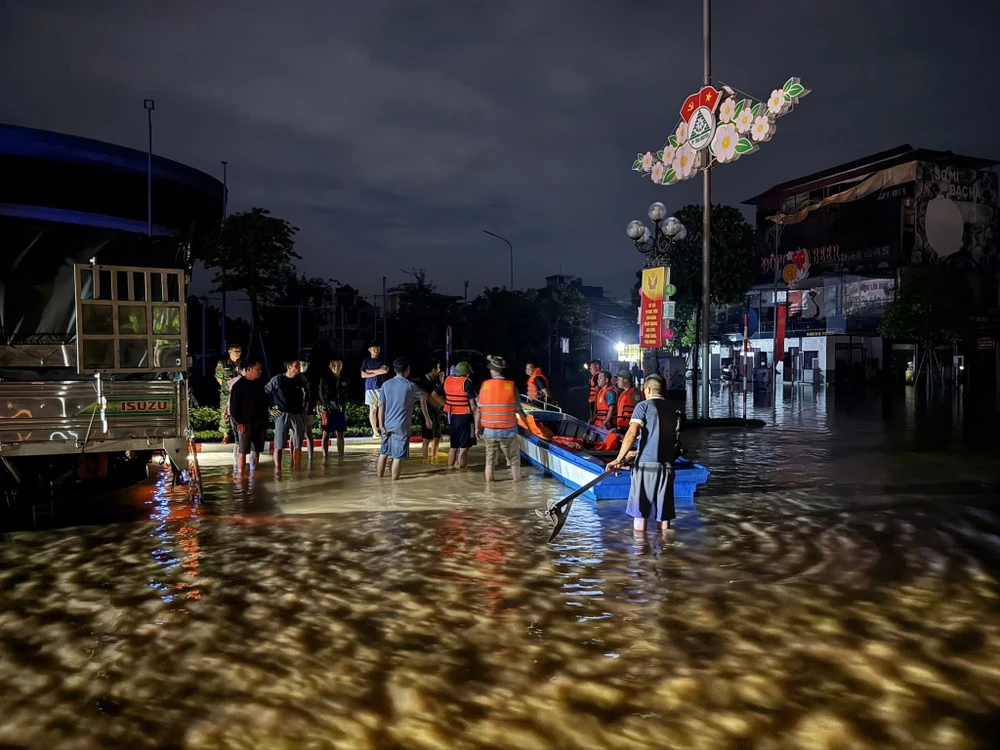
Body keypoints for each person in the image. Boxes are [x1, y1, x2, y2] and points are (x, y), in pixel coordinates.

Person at [607, 373, 678, 532]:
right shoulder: (671, 408)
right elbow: (661, 437)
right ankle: (665, 545)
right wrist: (636, 451)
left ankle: (640, 547)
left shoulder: (643, 406)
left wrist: (618, 459)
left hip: (646, 467)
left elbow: (631, 434)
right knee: (664, 516)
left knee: (640, 514)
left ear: (648, 389)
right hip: (666, 466)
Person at [476, 355, 529, 483]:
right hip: (508, 431)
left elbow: (478, 410)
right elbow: (519, 410)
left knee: (489, 461)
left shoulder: (484, 386)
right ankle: (516, 485)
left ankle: (489, 487)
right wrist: (528, 427)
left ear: (493, 371)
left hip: (489, 431)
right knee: (514, 460)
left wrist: (477, 428)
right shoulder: (512, 387)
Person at [377, 357, 430, 480]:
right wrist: (428, 418)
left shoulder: (386, 385)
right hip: (402, 428)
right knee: (397, 457)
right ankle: (394, 484)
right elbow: (424, 396)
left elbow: (381, 406)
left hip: (386, 426)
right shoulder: (410, 386)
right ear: (407, 370)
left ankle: (380, 481)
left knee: (383, 454)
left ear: (395, 370)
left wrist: (381, 426)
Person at [266, 359, 309, 474]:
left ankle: (297, 469)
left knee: (298, 443)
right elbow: (265, 392)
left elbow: (308, 394)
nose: (299, 369)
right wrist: (269, 409)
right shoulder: (278, 379)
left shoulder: (301, 379)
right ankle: (278, 470)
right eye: (296, 366)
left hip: (297, 414)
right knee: (279, 444)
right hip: (282, 414)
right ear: (289, 367)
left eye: (299, 366)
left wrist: (305, 407)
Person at [229, 360, 268, 476]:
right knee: (243, 450)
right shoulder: (238, 385)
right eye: (258, 369)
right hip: (245, 422)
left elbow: (265, 402)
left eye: (260, 370)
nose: (260, 372)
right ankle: (240, 474)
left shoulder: (260, 384)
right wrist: (239, 422)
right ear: (249, 369)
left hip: (259, 421)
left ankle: (253, 472)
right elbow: (234, 406)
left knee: (256, 449)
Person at [443, 361, 477, 469]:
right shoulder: (467, 383)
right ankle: (461, 470)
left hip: (453, 417)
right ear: (466, 373)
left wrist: (445, 404)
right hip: (465, 418)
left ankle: (450, 468)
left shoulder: (448, 381)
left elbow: (434, 394)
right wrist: (477, 420)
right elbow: (473, 406)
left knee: (453, 446)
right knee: (464, 447)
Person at [414, 359, 446, 463]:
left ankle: (434, 459)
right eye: (438, 368)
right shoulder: (423, 382)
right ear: (433, 369)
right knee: (427, 439)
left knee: (437, 437)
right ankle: (425, 461)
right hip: (427, 412)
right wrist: (427, 418)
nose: (439, 370)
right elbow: (422, 402)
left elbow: (443, 393)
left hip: (437, 412)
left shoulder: (437, 380)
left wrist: (441, 380)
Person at [319, 359, 348, 462]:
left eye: (339, 365)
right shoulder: (324, 379)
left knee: (340, 433)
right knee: (326, 433)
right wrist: (325, 407)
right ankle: (324, 456)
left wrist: (343, 405)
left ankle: (341, 456)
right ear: (330, 367)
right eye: (334, 365)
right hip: (327, 409)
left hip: (340, 409)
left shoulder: (344, 379)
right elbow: (321, 394)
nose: (337, 367)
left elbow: (346, 393)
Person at [215, 344, 242, 444]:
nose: (238, 353)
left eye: (239, 351)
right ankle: (225, 435)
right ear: (230, 352)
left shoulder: (242, 364)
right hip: (227, 393)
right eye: (236, 351)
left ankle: (239, 434)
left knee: (240, 412)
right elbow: (219, 377)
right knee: (225, 413)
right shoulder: (222, 363)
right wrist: (226, 387)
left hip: (239, 393)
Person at [361, 342, 389, 438]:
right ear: (369, 350)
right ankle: (375, 431)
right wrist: (378, 372)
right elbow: (363, 374)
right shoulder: (366, 361)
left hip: (382, 387)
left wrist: (371, 371)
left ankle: (383, 428)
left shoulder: (383, 359)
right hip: (370, 387)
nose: (376, 350)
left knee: (383, 408)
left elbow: (385, 370)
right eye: (374, 349)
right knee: (373, 409)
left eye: (377, 348)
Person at [298, 360, 317, 466]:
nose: (302, 366)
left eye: (304, 364)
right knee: (294, 434)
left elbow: (312, 395)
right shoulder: (295, 377)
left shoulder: (311, 378)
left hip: (308, 410)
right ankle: (294, 457)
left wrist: (309, 408)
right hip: (296, 410)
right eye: (301, 364)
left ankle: (310, 457)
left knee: (308, 432)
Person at [615, 370, 644, 434]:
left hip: (629, 428)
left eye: (619, 379)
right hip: (622, 427)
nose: (617, 382)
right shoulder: (623, 393)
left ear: (625, 380)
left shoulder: (635, 393)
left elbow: (640, 410)